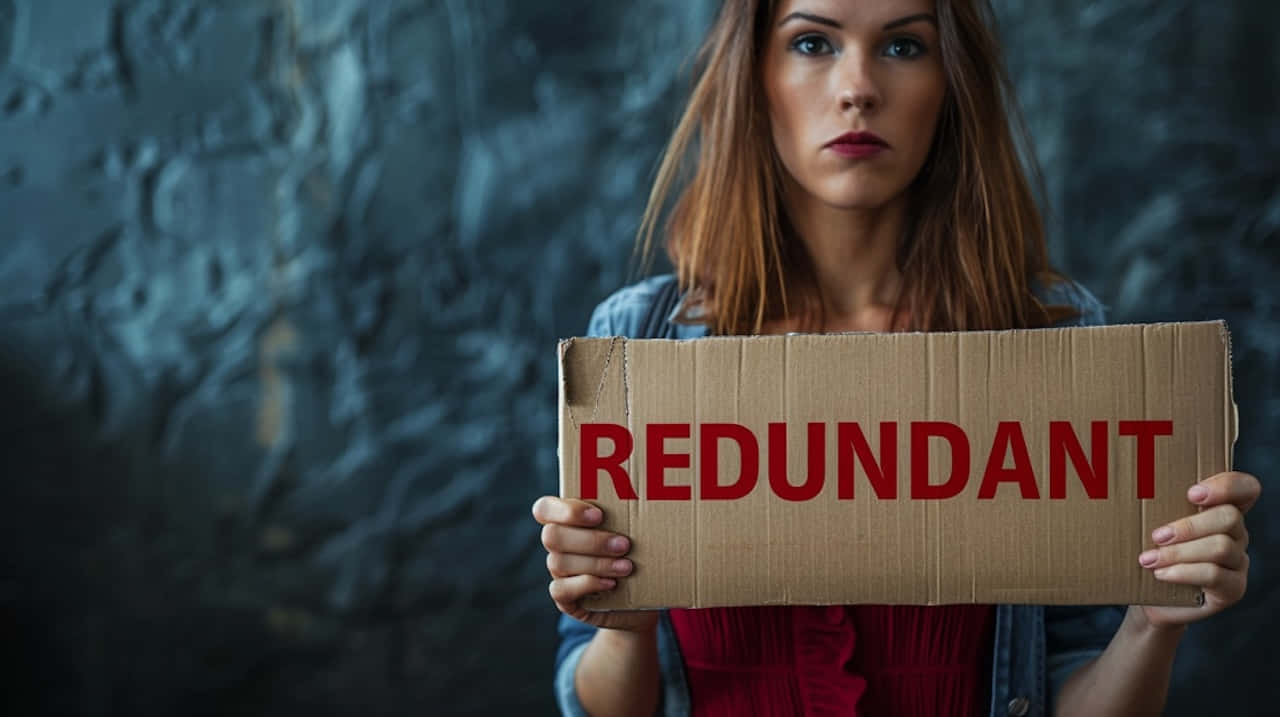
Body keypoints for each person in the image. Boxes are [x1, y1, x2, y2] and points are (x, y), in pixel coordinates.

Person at [531, 0, 1261, 715]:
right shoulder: (638, 341)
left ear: (951, 84)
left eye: (904, 46)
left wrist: (1152, 618)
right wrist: (621, 624)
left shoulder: (1056, 336)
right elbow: (597, 697)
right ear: (754, 76)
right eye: (813, 44)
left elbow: (1075, 679)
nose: (858, 88)